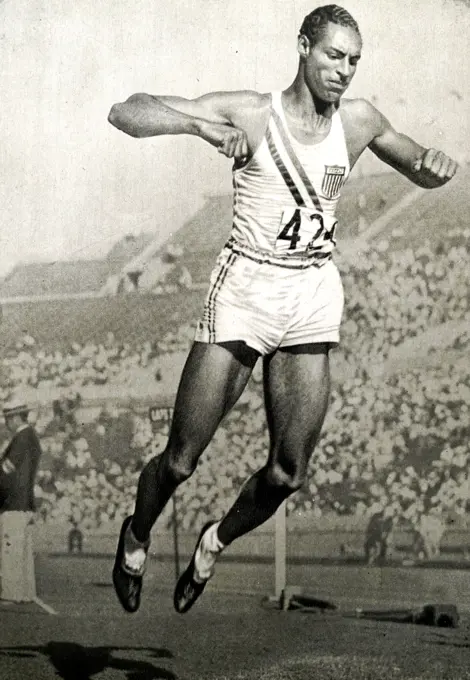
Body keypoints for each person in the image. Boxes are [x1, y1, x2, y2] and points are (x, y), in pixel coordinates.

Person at [108, 4, 458, 614]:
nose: (344, 71)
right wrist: (201, 129)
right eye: (333, 55)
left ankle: (213, 543)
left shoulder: (360, 121)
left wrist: (437, 167)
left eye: (354, 60)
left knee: (288, 473)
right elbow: (126, 111)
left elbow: (420, 164)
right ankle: (136, 535)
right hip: (244, 289)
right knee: (182, 460)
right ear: (302, 46)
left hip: (310, 292)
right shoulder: (250, 110)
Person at [0, 398, 43, 601]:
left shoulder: (22, 437)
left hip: (13, 502)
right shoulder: (30, 437)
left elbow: (7, 472)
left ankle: (12, 592)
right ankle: (25, 593)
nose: (6, 423)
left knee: (11, 548)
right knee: (23, 550)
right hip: (24, 502)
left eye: (8, 418)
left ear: (17, 417)